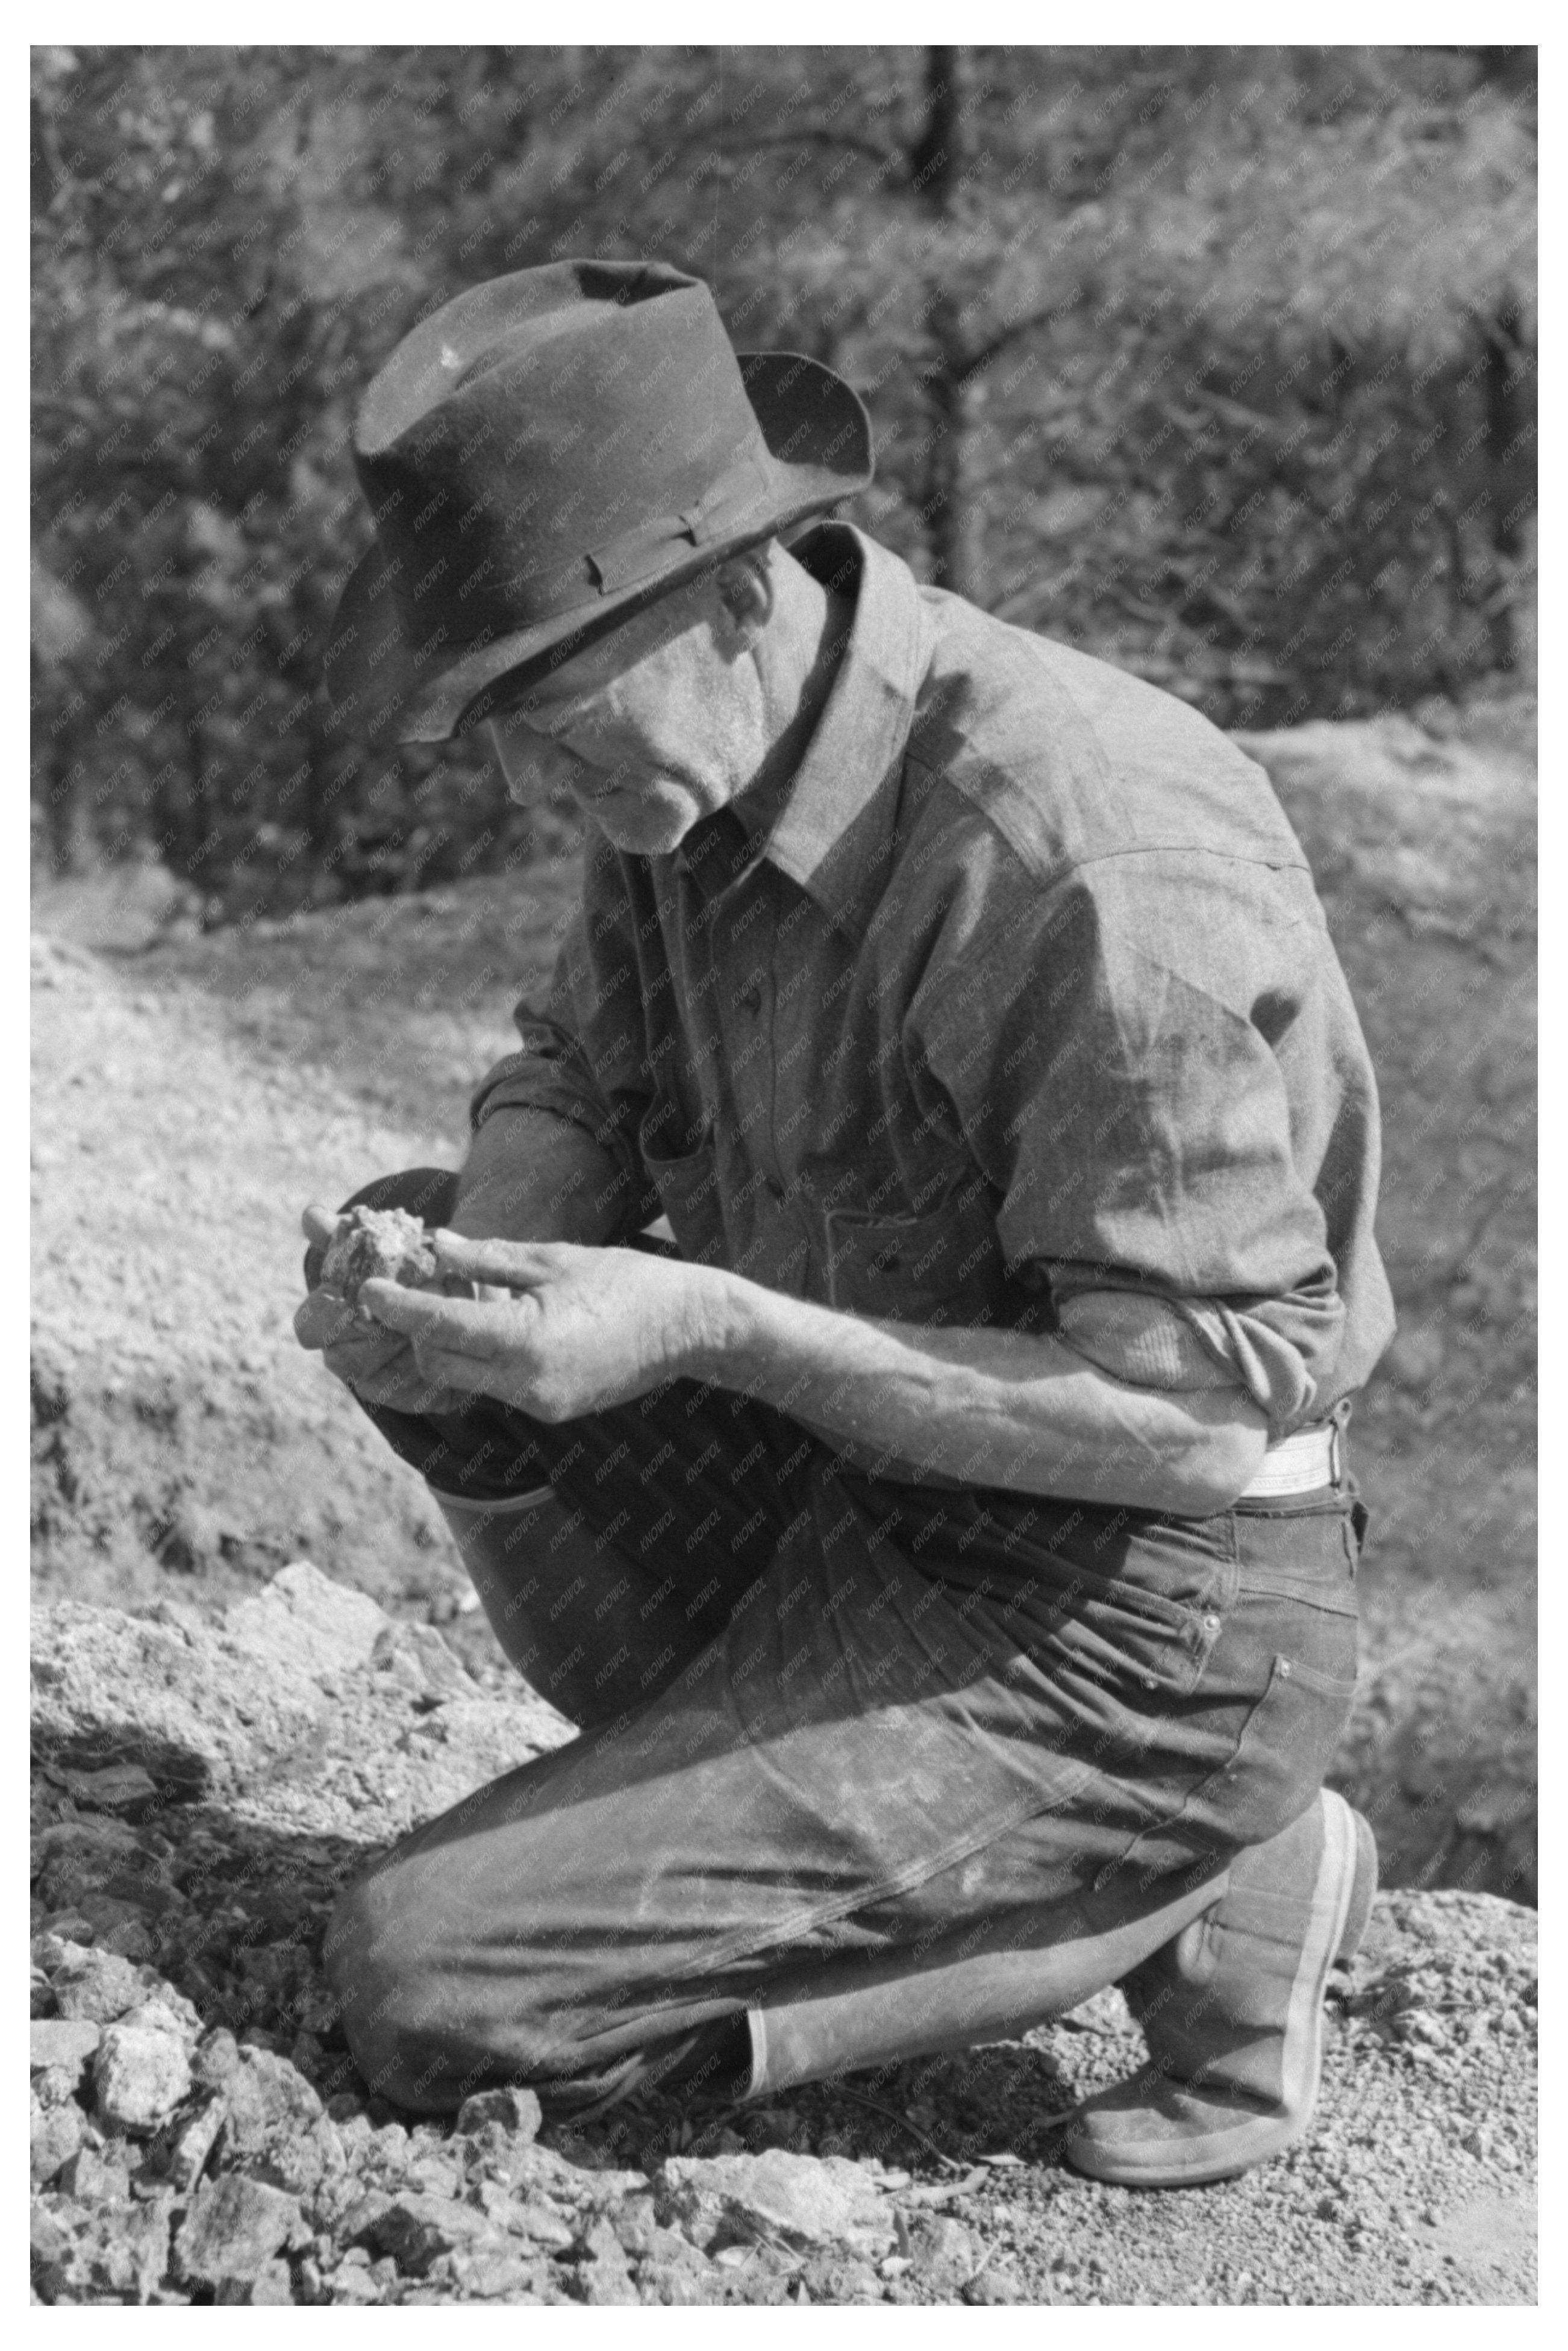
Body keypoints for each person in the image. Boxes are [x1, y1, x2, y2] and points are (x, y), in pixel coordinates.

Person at [295, 258, 1395, 2187]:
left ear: (735, 596)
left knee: (429, 1986)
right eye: (484, 722)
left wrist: (707, 1327)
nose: (521, 777)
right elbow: (579, 1070)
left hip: (1148, 1601)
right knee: (423, 1229)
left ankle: (1197, 1858)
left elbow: (1190, 1422)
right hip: (869, 1493)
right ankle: (817, 1793)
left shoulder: (1080, 858)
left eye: (540, 706)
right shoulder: (690, 768)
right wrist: (474, 1275)